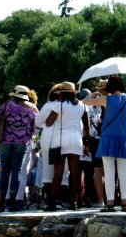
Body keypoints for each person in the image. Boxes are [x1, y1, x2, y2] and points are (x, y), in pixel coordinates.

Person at [83, 76, 126, 212]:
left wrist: (94, 93)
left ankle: (110, 203)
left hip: (108, 139)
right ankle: (124, 202)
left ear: (108, 87)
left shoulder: (106, 99)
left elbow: (85, 102)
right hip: (124, 139)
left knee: (109, 171)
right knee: (124, 172)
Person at [0, 85, 39, 212]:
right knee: (16, 172)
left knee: (5, 173)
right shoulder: (33, 108)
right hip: (22, 143)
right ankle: (13, 204)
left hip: (6, 142)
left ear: (15, 95)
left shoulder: (8, 104)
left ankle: (1, 205)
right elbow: (36, 127)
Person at [44, 82, 88, 211]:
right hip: (76, 140)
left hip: (60, 140)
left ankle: (52, 204)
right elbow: (86, 126)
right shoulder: (82, 105)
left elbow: (48, 123)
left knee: (58, 173)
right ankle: (73, 202)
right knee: (74, 173)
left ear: (62, 93)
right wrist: (86, 143)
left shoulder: (59, 105)